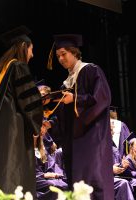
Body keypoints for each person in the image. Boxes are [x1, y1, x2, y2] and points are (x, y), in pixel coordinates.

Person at [0, 25, 43, 196]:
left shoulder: (2, 69)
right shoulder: (18, 67)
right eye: (31, 49)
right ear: (24, 47)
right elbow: (29, 101)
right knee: (13, 178)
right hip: (13, 134)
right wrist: (38, 120)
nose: (32, 54)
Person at [50, 34, 114, 199]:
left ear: (74, 52)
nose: (61, 58)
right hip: (74, 139)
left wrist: (75, 99)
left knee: (93, 178)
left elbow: (102, 98)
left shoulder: (91, 70)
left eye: (63, 54)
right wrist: (52, 123)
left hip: (92, 136)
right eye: (58, 56)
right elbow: (64, 115)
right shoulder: (66, 83)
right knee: (76, 180)